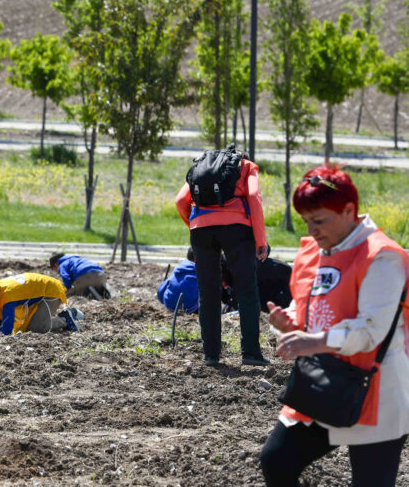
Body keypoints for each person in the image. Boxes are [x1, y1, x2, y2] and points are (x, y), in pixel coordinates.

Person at [260, 166, 409, 487]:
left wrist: (311, 343)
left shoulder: (382, 257)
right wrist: (286, 323)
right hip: (322, 383)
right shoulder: (315, 250)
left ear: (349, 211)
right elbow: (307, 308)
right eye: (306, 221)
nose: (312, 230)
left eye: (320, 220)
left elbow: (370, 331)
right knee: (276, 460)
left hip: (376, 392)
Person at [175, 146, 270, 367]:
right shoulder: (246, 167)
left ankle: (211, 355)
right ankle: (251, 353)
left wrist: (194, 225)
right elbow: (254, 197)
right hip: (237, 229)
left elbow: (181, 200)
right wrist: (261, 240)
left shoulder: (201, 166)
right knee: (246, 289)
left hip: (201, 229)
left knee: (208, 292)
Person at [0, 274, 83, 335]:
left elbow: (7, 324)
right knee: (26, 325)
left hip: (51, 292)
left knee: (38, 328)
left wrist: (2, 338)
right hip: (39, 293)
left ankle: (65, 318)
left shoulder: (7, 295)